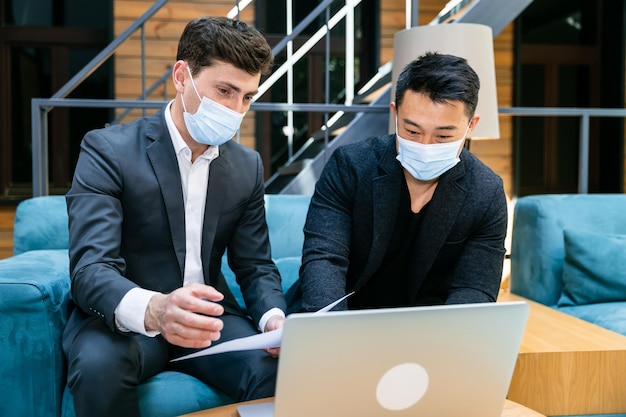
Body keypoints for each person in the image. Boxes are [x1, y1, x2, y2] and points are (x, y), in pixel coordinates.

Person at [63, 16, 286, 417]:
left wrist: (273, 319)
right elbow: (90, 269)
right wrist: (156, 309)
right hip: (127, 320)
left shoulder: (247, 165)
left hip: (210, 322)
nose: (236, 111)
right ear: (181, 76)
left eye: (247, 97)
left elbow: (255, 265)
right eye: (224, 91)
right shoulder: (107, 151)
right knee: (98, 366)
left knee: (280, 371)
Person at [292, 52, 507, 312]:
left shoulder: (486, 191)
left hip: (430, 328)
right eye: (412, 131)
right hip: (342, 316)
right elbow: (324, 258)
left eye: (443, 136)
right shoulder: (350, 166)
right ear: (395, 114)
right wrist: (335, 334)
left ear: (471, 126)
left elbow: (474, 289)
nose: (425, 145)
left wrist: (449, 341)